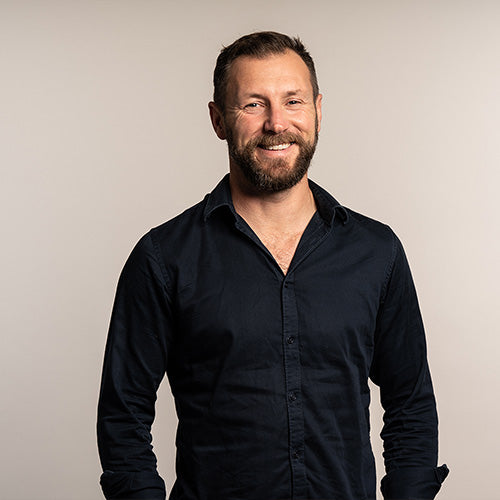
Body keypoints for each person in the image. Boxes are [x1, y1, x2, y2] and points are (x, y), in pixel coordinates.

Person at [97, 31, 448, 500]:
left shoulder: (376, 252)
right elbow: (124, 418)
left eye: (293, 101)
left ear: (318, 111)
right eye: (253, 105)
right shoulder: (164, 258)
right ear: (218, 119)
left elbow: (410, 406)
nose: (276, 123)